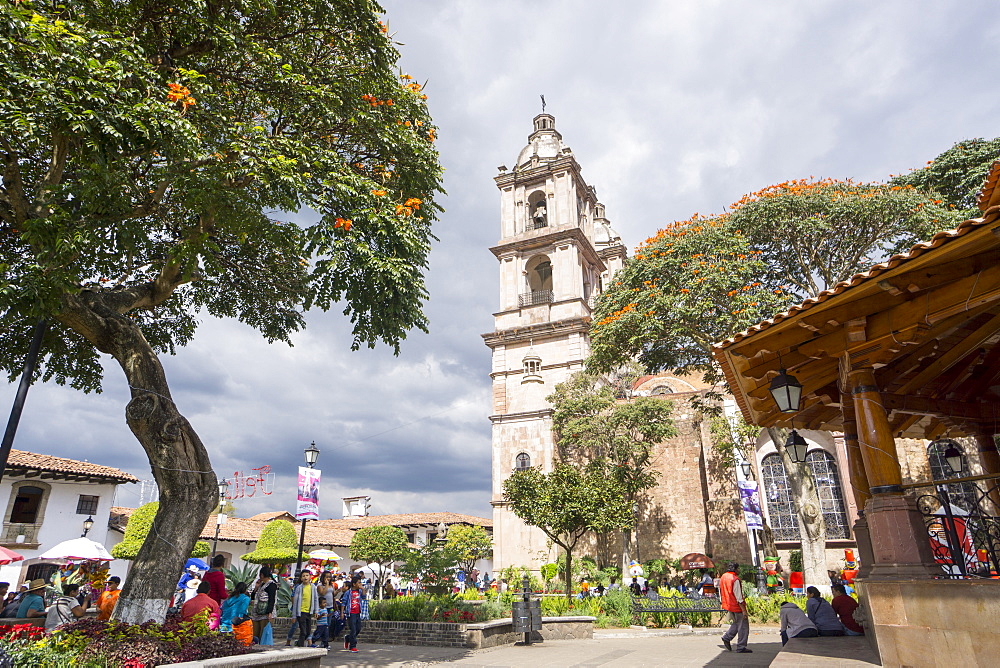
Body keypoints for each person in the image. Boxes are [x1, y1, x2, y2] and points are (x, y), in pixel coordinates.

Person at [719, 561, 752, 654]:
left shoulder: (724, 576)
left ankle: (727, 637)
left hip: (728, 604)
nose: (739, 570)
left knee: (737, 624)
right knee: (743, 627)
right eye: (738, 568)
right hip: (736, 606)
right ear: (735, 569)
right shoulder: (735, 579)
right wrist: (744, 610)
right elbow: (739, 597)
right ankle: (741, 646)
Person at [250, 566, 278, 644]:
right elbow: (253, 597)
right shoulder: (261, 585)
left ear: (262, 575)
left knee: (263, 632)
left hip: (265, 613)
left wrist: (270, 612)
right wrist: (256, 588)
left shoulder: (271, 585)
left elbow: (272, 599)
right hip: (256, 613)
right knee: (255, 632)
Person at [340, 576, 369, 653]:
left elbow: (364, 596)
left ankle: (348, 638)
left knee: (358, 628)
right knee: (353, 629)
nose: (360, 584)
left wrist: (362, 589)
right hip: (351, 613)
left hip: (357, 612)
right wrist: (342, 612)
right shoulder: (348, 593)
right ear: (354, 584)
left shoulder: (359, 591)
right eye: (358, 582)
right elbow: (344, 603)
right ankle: (352, 646)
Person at [291, 570, 318, 647]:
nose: (305, 577)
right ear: (301, 578)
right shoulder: (299, 588)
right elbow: (295, 602)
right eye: (303, 576)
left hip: (309, 612)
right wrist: (294, 616)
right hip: (301, 612)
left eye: (307, 575)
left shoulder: (313, 587)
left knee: (308, 631)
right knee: (303, 632)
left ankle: (299, 642)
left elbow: (315, 599)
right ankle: (301, 646)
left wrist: (316, 611)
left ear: (310, 577)